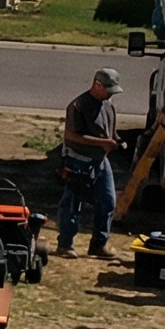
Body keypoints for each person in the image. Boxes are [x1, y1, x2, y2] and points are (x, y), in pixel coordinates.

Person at [58, 66, 125, 257]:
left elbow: (109, 130)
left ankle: (98, 244)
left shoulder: (108, 105)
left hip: (101, 161)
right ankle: (64, 244)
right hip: (77, 161)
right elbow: (71, 136)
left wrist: (116, 140)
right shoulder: (78, 106)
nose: (110, 95)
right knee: (72, 204)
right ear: (97, 84)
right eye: (108, 90)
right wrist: (104, 142)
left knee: (108, 202)